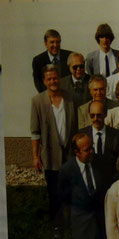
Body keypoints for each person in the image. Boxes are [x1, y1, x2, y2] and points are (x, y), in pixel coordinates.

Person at [31, 65, 77, 223]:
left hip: (70, 153)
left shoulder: (70, 98)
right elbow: (35, 132)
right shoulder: (38, 101)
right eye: (49, 79)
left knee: (71, 189)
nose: (53, 81)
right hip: (50, 156)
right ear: (44, 81)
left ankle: (72, 221)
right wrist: (36, 157)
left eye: (55, 78)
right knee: (54, 191)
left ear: (60, 78)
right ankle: (57, 224)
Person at [79, 100, 119, 167]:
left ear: (105, 114)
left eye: (99, 115)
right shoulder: (81, 135)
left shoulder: (117, 136)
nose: (95, 119)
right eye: (92, 115)